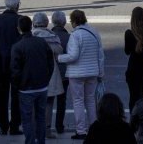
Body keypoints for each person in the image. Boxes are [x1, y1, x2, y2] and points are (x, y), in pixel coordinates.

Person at [59, 9, 105, 140]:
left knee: (78, 101)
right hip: (93, 73)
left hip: (77, 74)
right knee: (90, 101)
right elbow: (101, 55)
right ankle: (94, 128)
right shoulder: (94, 32)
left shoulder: (75, 35)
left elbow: (73, 56)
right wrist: (101, 73)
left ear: (73, 21)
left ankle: (81, 131)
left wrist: (59, 58)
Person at [10, 14, 55, 144]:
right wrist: (46, 79)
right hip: (42, 86)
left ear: (19, 29)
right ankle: (41, 141)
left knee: (27, 118)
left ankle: (30, 141)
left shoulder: (17, 46)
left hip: (26, 89)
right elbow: (50, 62)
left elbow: (15, 70)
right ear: (31, 27)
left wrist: (18, 85)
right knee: (40, 117)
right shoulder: (41, 42)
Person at [0, 0, 24, 137]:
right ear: (17, 5)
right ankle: (15, 125)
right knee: (16, 95)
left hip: (0, 63)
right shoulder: (20, 20)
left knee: (1, 96)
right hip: (16, 63)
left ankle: (3, 125)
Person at [31, 13, 65, 141]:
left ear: (34, 23)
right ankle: (46, 129)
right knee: (48, 103)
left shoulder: (31, 36)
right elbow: (59, 52)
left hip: (33, 72)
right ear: (46, 23)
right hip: (50, 73)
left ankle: (34, 130)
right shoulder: (52, 36)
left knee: (33, 102)